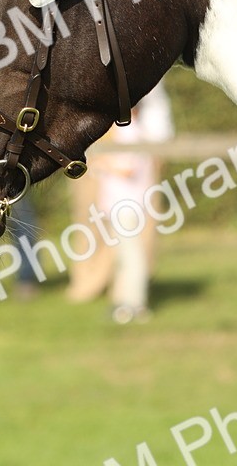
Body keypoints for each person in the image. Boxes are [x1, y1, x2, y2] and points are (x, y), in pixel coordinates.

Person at [66, 82, 174, 323]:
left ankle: (133, 303)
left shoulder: (130, 132)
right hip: (119, 204)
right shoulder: (127, 131)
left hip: (129, 205)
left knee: (131, 255)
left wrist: (101, 163)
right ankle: (125, 300)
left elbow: (127, 168)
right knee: (126, 255)